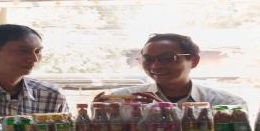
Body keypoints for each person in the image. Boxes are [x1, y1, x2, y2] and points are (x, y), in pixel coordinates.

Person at [98, 33, 246, 107]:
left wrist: (165, 111)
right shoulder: (124, 100)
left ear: (194, 61)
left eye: (167, 58)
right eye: (148, 59)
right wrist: (98, 115)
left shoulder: (226, 104)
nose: (155, 66)